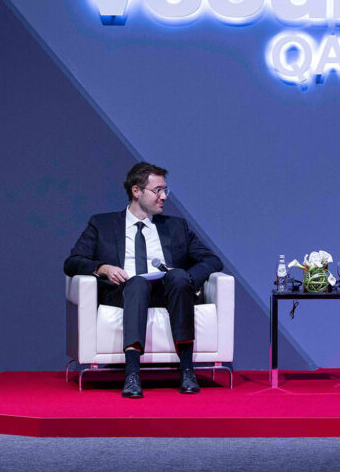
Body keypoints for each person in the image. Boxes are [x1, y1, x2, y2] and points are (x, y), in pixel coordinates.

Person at [64, 162, 223, 398]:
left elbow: (212, 260)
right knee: (137, 282)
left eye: (165, 190)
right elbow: (72, 262)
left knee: (178, 277)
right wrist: (103, 268)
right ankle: (132, 373)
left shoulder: (176, 227)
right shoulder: (102, 224)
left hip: (167, 292)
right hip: (123, 292)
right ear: (137, 191)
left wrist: (186, 278)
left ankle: (187, 370)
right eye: (157, 190)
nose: (164, 197)